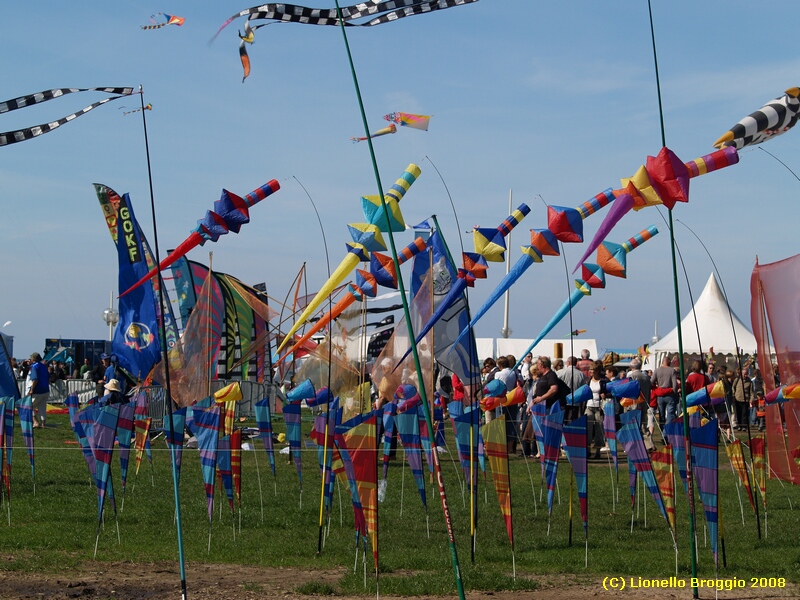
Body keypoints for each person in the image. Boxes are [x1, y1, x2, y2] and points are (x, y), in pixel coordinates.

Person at [586, 364, 608, 459]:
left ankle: (598, 451)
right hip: (589, 406)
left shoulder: (603, 381)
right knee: (588, 428)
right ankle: (588, 450)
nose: (591, 371)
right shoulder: (588, 380)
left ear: (597, 371)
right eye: (590, 369)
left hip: (599, 407)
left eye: (593, 370)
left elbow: (611, 391)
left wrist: (605, 395)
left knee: (599, 428)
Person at [651, 355, 678, 428]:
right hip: (670, 394)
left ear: (663, 361)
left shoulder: (657, 370)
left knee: (661, 415)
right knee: (670, 414)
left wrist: (656, 389)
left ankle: (663, 431)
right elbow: (675, 384)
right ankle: (666, 432)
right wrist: (675, 393)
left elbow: (651, 382)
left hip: (660, 395)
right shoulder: (672, 370)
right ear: (669, 362)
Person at [558, 356, 586, 422]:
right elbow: (582, 388)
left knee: (561, 421)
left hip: (563, 401)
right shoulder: (581, 375)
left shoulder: (560, 373)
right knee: (572, 422)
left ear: (568, 362)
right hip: (575, 402)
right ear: (576, 363)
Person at [26, 352, 50, 428]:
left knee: (29, 406)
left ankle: (35, 422)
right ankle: (43, 423)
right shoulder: (44, 366)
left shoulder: (34, 367)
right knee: (42, 407)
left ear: (33, 359)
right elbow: (48, 377)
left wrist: (31, 390)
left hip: (37, 390)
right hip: (45, 389)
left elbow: (35, 379)